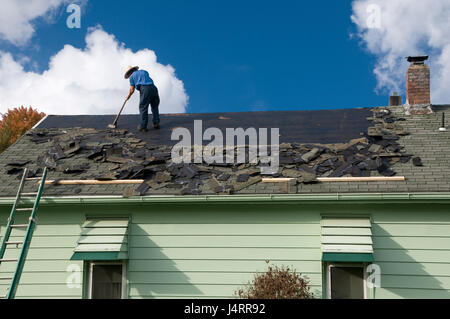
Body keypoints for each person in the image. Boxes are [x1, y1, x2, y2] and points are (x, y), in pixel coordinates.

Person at [124, 66, 160, 132]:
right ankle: (156, 123)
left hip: (145, 89)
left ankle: (143, 126)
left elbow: (132, 89)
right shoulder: (144, 71)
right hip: (154, 88)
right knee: (154, 106)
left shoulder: (132, 77)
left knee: (143, 107)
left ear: (129, 73)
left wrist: (128, 96)